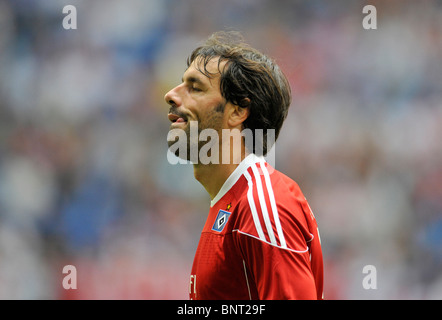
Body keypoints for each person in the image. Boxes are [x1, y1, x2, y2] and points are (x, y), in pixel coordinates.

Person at [164, 31, 323, 300]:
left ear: (238, 112)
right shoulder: (232, 201)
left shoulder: (261, 203)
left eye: (196, 87)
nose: (171, 94)